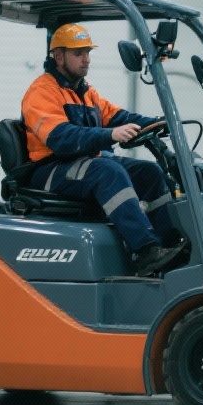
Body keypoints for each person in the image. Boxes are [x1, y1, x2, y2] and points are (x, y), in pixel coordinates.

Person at [20, 23, 184, 277]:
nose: (86, 59)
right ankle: (146, 251)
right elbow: (60, 138)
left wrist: (158, 122)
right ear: (59, 57)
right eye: (78, 53)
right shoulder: (42, 91)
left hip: (81, 163)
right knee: (107, 170)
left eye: (87, 52)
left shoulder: (85, 92)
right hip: (50, 169)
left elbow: (117, 116)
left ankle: (168, 244)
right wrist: (109, 134)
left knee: (149, 172)